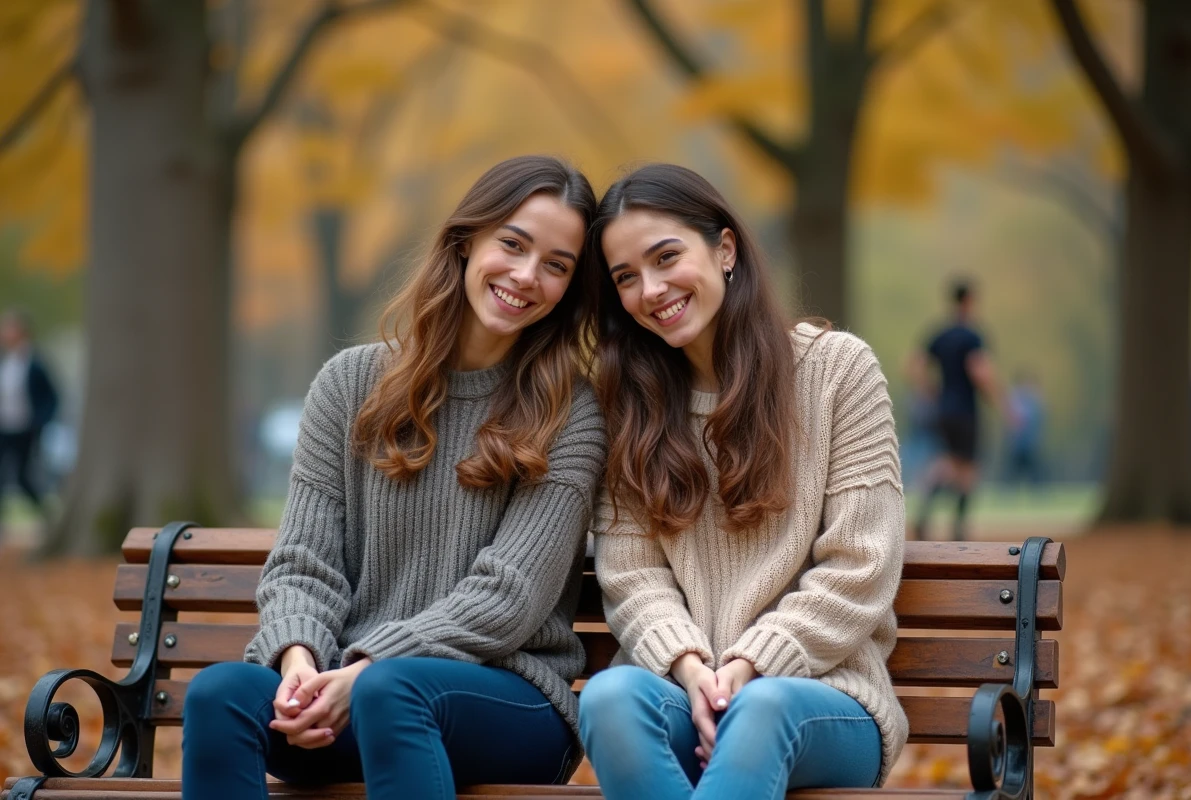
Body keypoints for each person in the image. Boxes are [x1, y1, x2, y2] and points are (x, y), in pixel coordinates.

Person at [181, 156, 607, 799]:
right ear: (466, 242)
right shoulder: (349, 384)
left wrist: (367, 667)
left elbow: (508, 598)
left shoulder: (571, 413)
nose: (526, 276)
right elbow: (303, 564)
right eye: (513, 245)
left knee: (391, 690)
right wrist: (299, 664)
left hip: (510, 704)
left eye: (557, 265)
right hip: (348, 693)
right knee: (220, 694)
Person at [578, 164, 907, 798]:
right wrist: (693, 668)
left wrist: (753, 664)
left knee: (760, 711)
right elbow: (630, 575)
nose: (651, 289)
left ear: (724, 249)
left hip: (823, 701)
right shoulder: (627, 404)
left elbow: (861, 565)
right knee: (611, 695)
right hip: (680, 692)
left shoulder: (837, 373)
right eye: (625, 277)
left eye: (666, 256)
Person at [909, 281, 1002, 541]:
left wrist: (929, 391)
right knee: (969, 468)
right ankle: (959, 527)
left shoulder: (940, 334)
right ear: (970, 301)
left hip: (943, 410)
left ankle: (924, 515)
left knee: (948, 462)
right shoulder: (971, 336)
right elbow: (979, 371)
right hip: (965, 411)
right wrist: (1001, 402)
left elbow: (914, 364)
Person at [0, 309, 59, 534]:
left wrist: (41, 422)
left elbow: (52, 397)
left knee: (24, 476)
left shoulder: (35, 364)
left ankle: (46, 516)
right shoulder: (5, 362)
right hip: (4, 429)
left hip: (25, 430)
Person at [1004, 369, 1045, 487]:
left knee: (1034, 472)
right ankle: (1009, 494)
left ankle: (1039, 494)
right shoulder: (1015, 399)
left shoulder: (1034, 400)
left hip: (1030, 444)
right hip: (1017, 445)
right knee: (1013, 473)